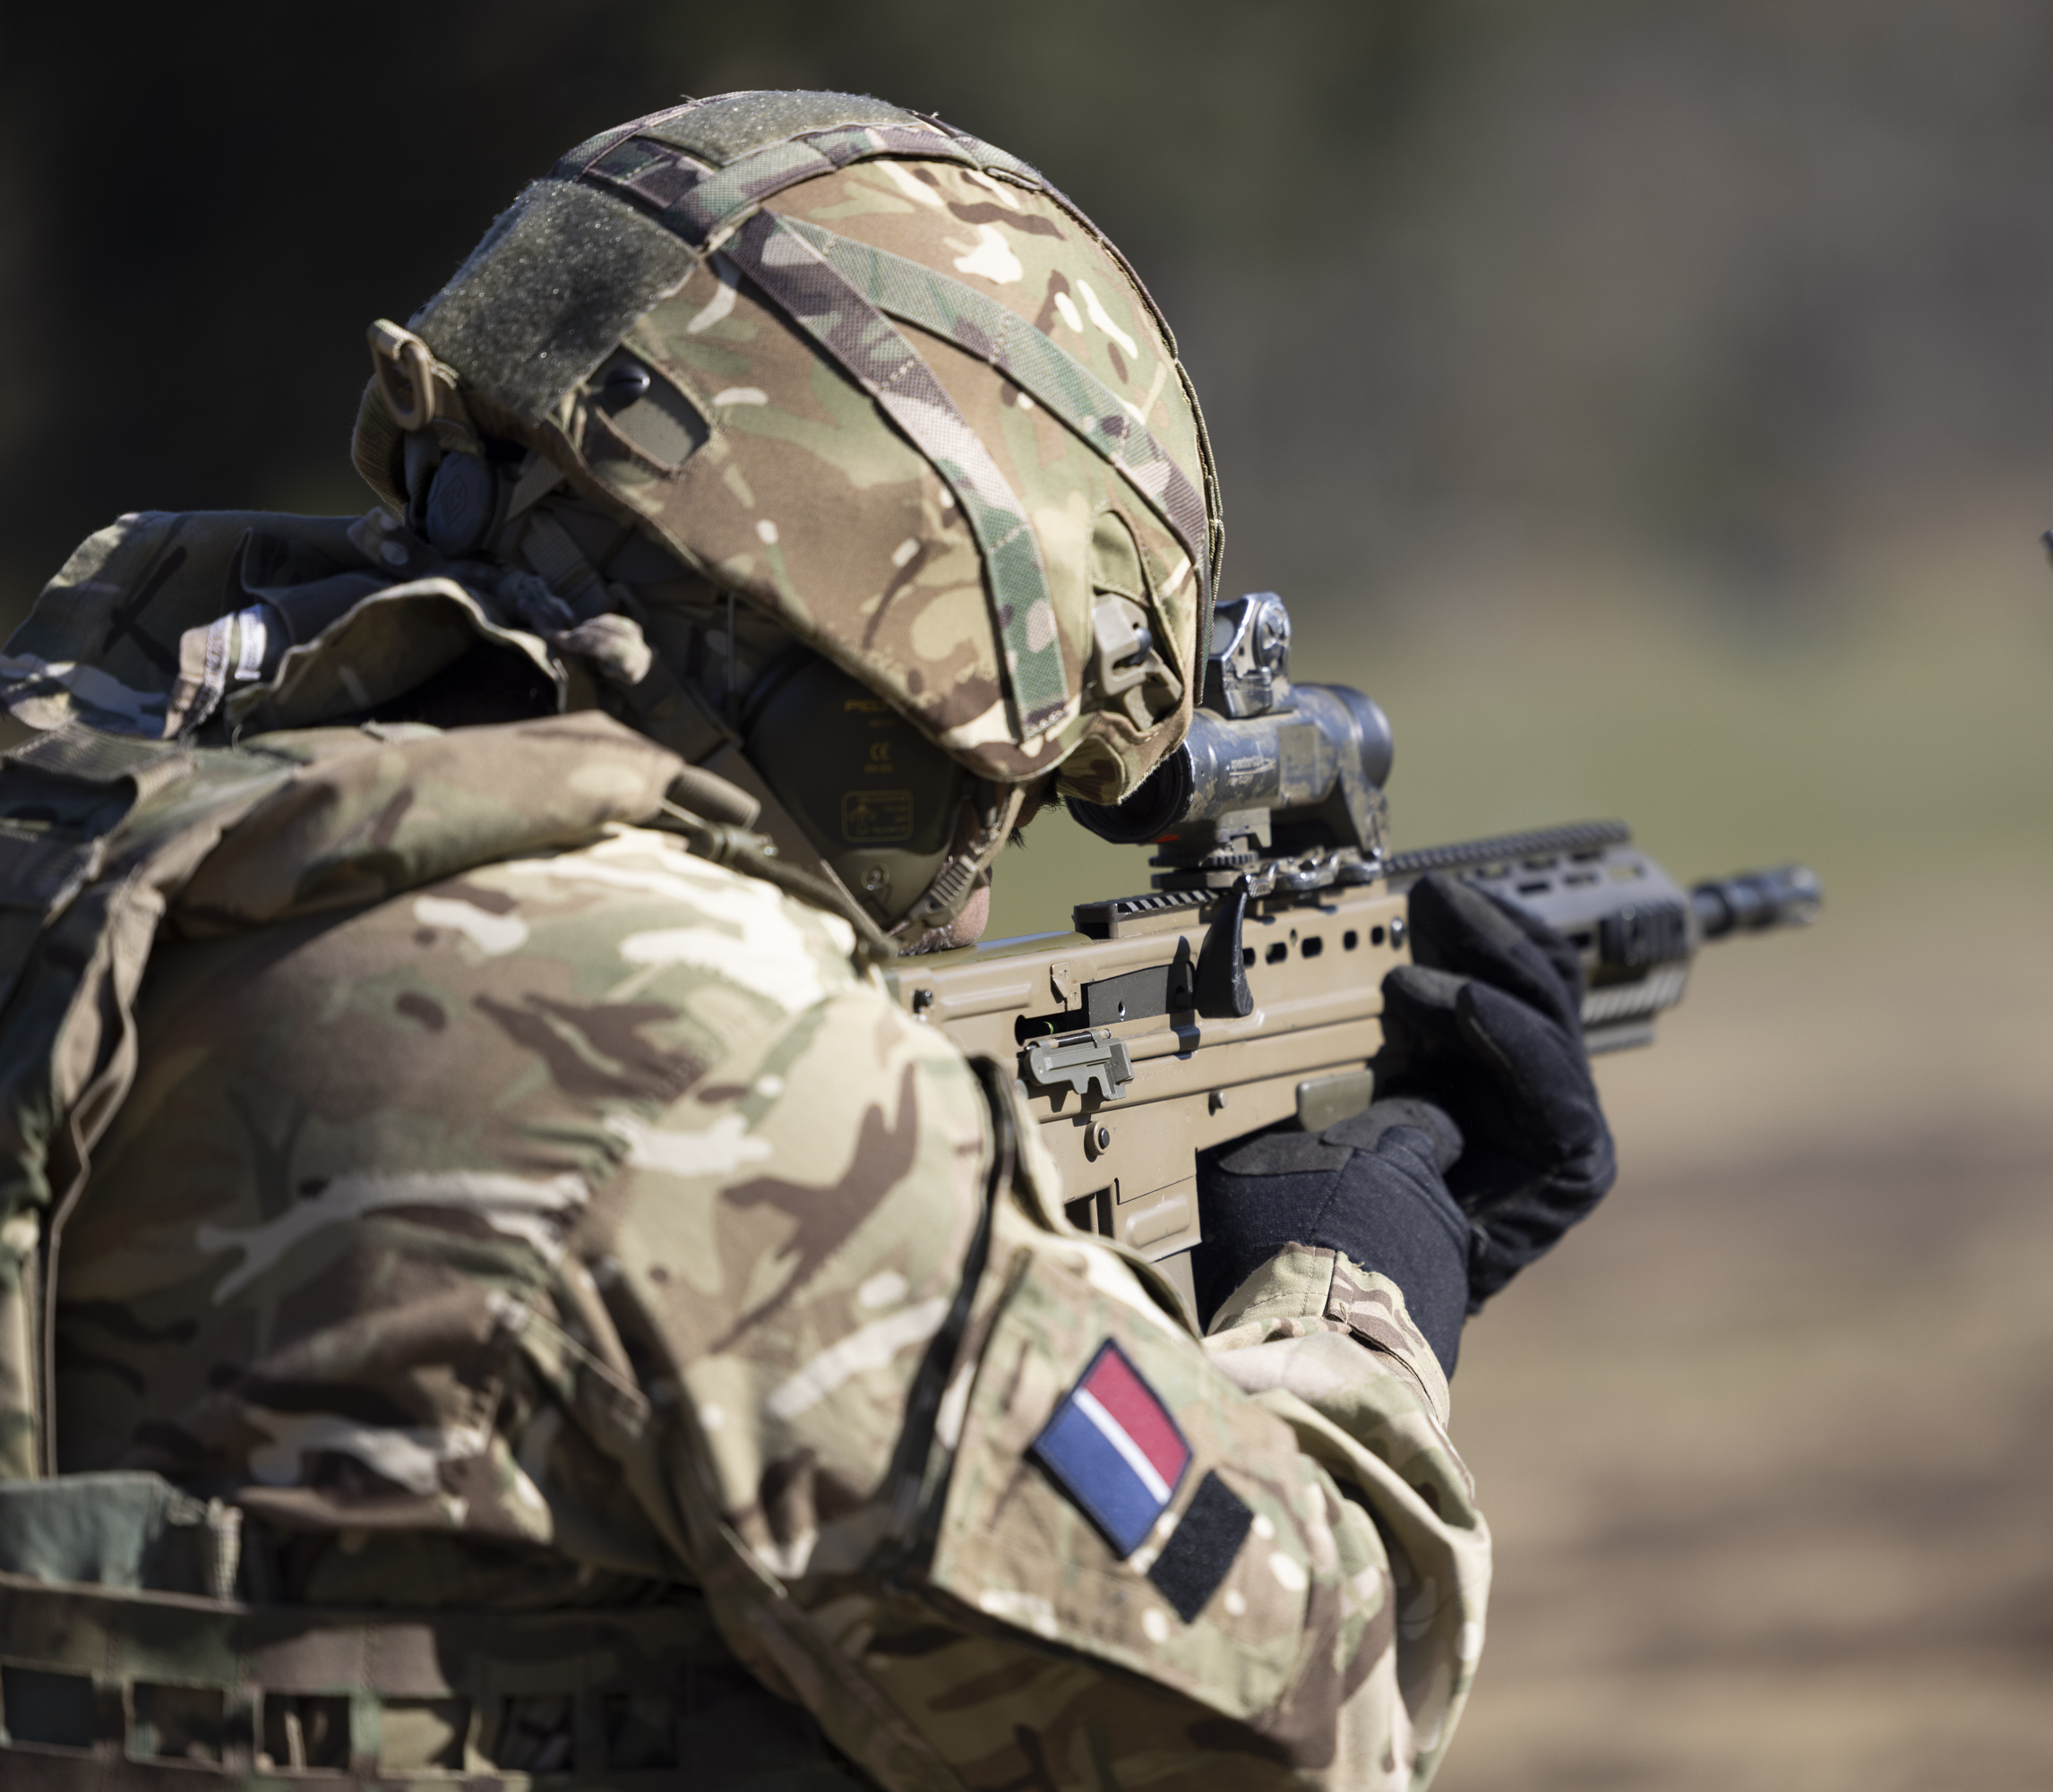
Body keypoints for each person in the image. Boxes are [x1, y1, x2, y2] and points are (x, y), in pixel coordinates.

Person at [0, 91, 1613, 1789]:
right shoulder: (689, 1061)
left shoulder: (88, 799)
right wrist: (1360, 1291)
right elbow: (1297, 1716)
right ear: (879, 663)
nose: (972, 895)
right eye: (982, 796)